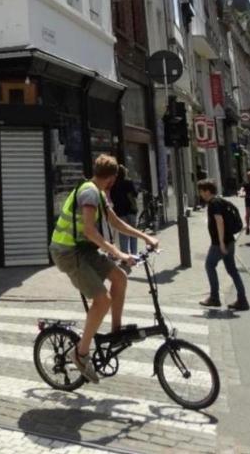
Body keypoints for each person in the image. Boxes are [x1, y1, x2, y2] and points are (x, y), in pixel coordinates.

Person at [50, 154, 159, 384]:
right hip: (68, 252)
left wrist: (144, 237)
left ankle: (116, 331)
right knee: (102, 300)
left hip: (83, 249)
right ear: (112, 178)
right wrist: (119, 253)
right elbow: (90, 230)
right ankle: (80, 354)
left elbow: (115, 222)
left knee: (119, 277)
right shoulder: (90, 193)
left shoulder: (98, 192)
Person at [197, 179, 249, 311]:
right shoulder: (220, 201)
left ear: (207, 191)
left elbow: (219, 221)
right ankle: (242, 300)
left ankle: (214, 297)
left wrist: (220, 243)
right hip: (229, 240)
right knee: (232, 270)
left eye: (201, 191)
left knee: (209, 265)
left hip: (220, 243)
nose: (200, 194)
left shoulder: (213, 203)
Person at [110, 165, 139, 255]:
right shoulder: (128, 182)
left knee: (123, 235)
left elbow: (111, 198)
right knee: (134, 234)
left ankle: (125, 256)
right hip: (131, 210)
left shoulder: (113, 184)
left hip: (119, 212)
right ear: (124, 173)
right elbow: (135, 194)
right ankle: (134, 255)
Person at [242, 170, 250, 235]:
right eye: (249, 176)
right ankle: (248, 227)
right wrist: (241, 193)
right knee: (247, 214)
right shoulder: (245, 184)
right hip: (248, 199)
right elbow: (242, 190)